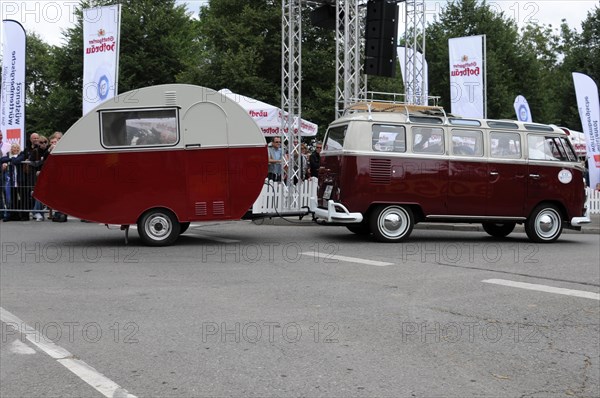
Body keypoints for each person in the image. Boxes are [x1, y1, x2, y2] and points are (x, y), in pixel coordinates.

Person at [0, 143, 27, 221]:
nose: (15, 149)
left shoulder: (21, 155)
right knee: (12, 198)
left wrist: (10, 160)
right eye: (13, 147)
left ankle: (23, 215)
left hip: (19, 180)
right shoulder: (8, 155)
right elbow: (2, 159)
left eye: (16, 147)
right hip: (11, 181)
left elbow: (17, 160)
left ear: (19, 148)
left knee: (22, 198)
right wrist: (10, 159)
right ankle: (12, 215)